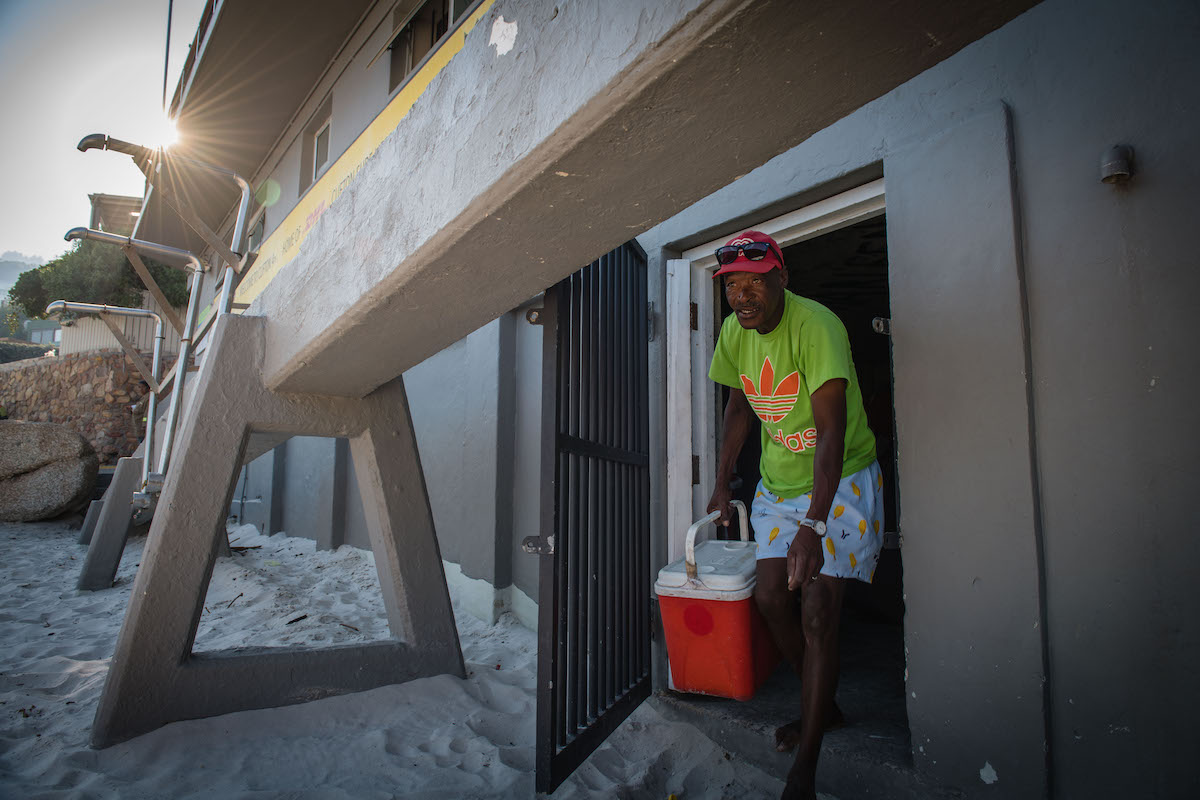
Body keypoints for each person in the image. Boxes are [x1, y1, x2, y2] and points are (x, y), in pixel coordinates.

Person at [706, 230, 883, 800]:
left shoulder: (817, 325)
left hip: (842, 477)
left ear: (782, 277)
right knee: (768, 598)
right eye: (732, 283)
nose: (743, 294)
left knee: (818, 608)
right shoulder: (735, 331)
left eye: (755, 279)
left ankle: (805, 766)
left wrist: (814, 524)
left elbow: (832, 432)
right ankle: (824, 708)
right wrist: (721, 480)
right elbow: (738, 405)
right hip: (778, 483)